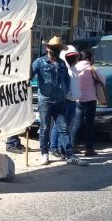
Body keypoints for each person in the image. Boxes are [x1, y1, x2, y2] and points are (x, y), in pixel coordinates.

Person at [31, 36, 86, 166]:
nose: (55, 50)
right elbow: (30, 76)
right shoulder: (39, 62)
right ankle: (44, 153)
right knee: (44, 128)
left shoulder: (62, 63)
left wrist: (64, 91)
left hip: (60, 101)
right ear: (47, 48)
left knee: (63, 129)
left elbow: (66, 79)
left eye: (57, 48)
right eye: (53, 48)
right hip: (45, 101)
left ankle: (69, 155)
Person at [50, 45, 81, 158]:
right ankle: (54, 147)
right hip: (64, 101)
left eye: (75, 57)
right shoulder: (63, 69)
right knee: (59, 127)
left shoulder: (74, 69)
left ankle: (62, 148)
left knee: (67, 127)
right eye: (71, 57)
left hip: (73, 102)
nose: (73, 59)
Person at [74, 50, 106, 157]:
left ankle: (72, 145)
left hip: (77, 100)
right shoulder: (91, 69)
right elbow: (103, 81)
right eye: (92, 58)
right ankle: (89, 149)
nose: (93, 60)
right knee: (89, 125)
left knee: (77, 124)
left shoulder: (75, 68)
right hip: (90, 101)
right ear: (88, 59)